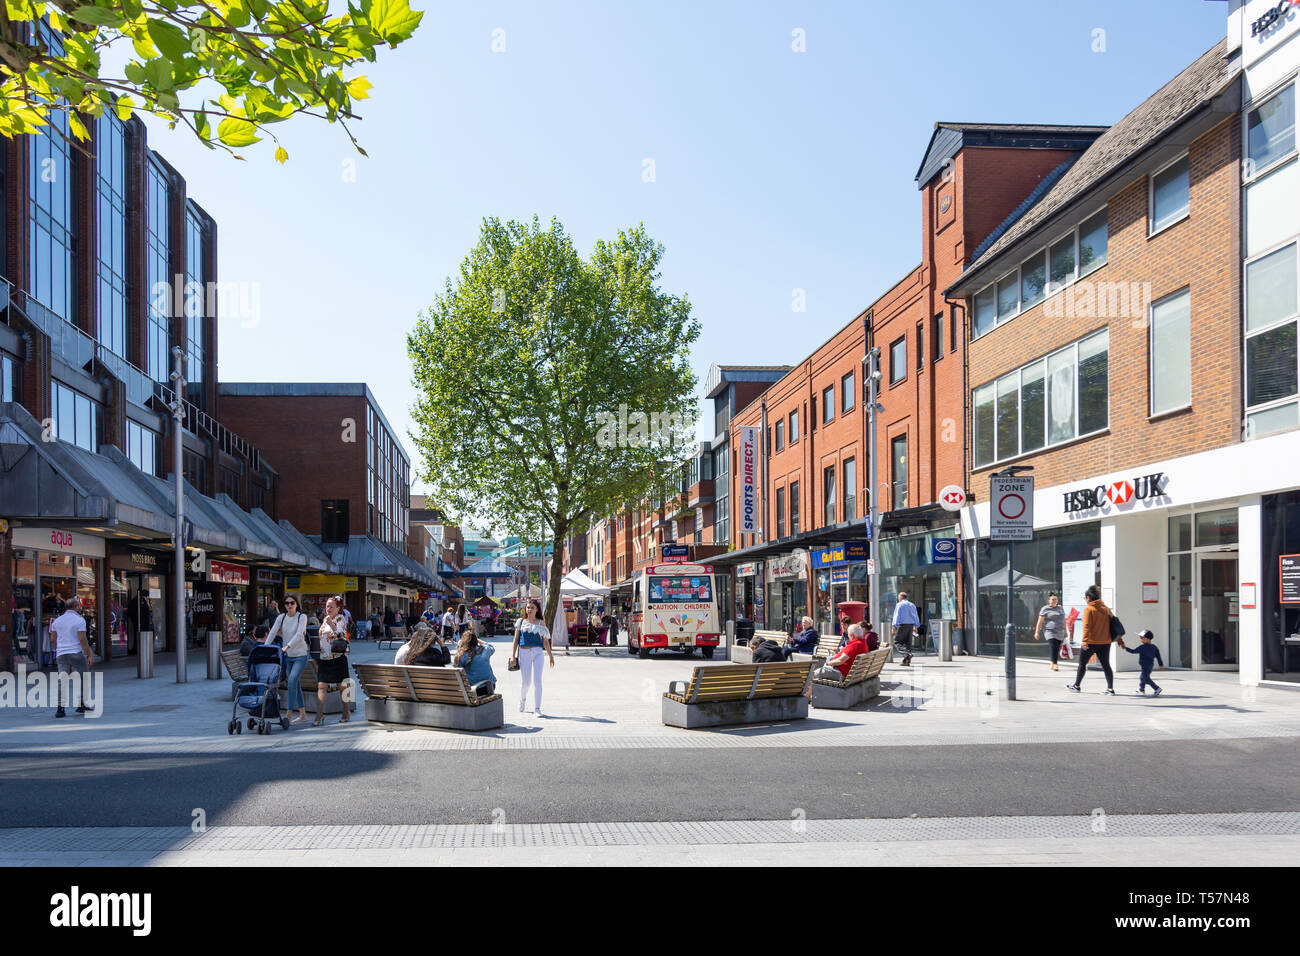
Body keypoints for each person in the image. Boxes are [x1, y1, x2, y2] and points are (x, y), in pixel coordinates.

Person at [266, 595, 310, 724]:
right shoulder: (281, 617)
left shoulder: (302, 617)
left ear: (296, 604)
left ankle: (289, 714)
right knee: (295, 683)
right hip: (288, 656)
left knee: (291, 681)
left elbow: (299, 634)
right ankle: (302, 713)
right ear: (284, 605)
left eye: (292, 603)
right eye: (287, 603)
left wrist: (287, 646)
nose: (289, 605)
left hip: (300, 655)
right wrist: (265, 646)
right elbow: (273, 632)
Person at [510, 598, 555, 716]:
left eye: (532, 607)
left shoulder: (541, 622)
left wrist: (550, 655)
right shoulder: (520, 622)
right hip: (524, 653)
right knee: (526, 682)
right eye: (528, 607)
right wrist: (512, 656)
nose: (529, 609)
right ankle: (522, 700)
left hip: (538, 652)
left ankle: (537, 708)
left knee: (537, 681)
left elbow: (545, 641)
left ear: (537, 610)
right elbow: (515, 640)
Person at [1068, 585, 1115, 695]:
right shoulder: (1106, 609)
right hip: (1105, 642)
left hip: (1091, 642)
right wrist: (1120, 640)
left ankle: (1077, 685)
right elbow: (1114, 623)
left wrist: (1084, 641)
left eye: (1085, 598)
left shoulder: (1089, 609)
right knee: (1106, 665)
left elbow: (1086, 626)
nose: (1085, 600)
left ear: (1088, 598)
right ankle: (1110, 689)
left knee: (1082, 664)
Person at [50, 597, 93, 718]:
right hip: (76, 653)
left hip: (61, 654)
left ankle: (60, 709)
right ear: (76, 607)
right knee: (84, 677)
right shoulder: (79, 620)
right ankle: (82, 704)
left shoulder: (57, 621)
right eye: (79, 606)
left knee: (62, 680)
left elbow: (53, 639)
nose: (80, 607)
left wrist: (57, 650)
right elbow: (82, 639)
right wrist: (88, 654)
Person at [313, 595, 352, 725]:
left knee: (342, 686)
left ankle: (346, 712)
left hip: (337, 657)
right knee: (321, 686)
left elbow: (341, 634)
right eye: (326, 606)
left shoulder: (340, 618)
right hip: (324, 658)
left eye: (331, 606)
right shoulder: (324, 619)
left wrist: (332, 625)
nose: (328, 608)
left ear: (338, 608)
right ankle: (319, 716)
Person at [1120, 629, 1164, 696]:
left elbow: (1133, 651)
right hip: (1149, 666)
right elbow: (1158, 657)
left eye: (1141, 638)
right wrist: (1161, 664)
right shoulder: (1154, 647)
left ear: (1147, 639)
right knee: (1142, 677)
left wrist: (1125, 648)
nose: (1140, 639)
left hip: (1145, 666)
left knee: (1146, 678)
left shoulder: (1142, 647)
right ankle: (1141, 690)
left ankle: (1157, 688)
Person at [456, 631, 497, 697]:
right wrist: (477, 639)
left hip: (473, 689)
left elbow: (457, 669)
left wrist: (460, 646)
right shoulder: (485, 650)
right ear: (476, 641)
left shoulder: (461, 655)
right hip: (489, 686)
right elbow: (491, 647)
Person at [1034, 592, 1067, 671]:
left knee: (1057, 648)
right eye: (1052, 599)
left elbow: (1064, 620)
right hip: (1050, 631)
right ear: (1049, 600)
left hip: (1060, 632)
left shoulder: (1060, 608)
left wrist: (1065, 631)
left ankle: (1052, 663)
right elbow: (1040, 621)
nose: (1054, 601)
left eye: (1056, 599)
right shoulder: (1045, 609)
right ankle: (1055, 664)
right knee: (1053, 646)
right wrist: (1037, 632)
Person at [892, 591, 921, 666]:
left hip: (902, 625)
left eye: (898, 598)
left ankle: (907, 654)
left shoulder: (899, 605)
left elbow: (897, 616)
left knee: (897, 642)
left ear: (900, 597)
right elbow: (915, 616)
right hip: (910, 626)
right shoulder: (912, 605)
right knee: (907, 643)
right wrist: (916, 626)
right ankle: (906, 661)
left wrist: (894, 626)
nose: (898, 599)